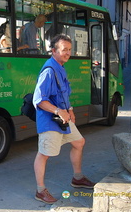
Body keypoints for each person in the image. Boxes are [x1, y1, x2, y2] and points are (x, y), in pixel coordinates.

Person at [32, 34, 95, 204]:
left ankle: (77, 178)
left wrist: (70, 110)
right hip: (50, 121)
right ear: (54, 51)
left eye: (69, 49)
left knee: (79, 142)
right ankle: (40, 190)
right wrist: (59, 111)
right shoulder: (49, 71)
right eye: (64, 50)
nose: (68, 53)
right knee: (44, 154)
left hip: (63, 119)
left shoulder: (60, 67)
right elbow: (38, 99)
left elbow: (63, 93)